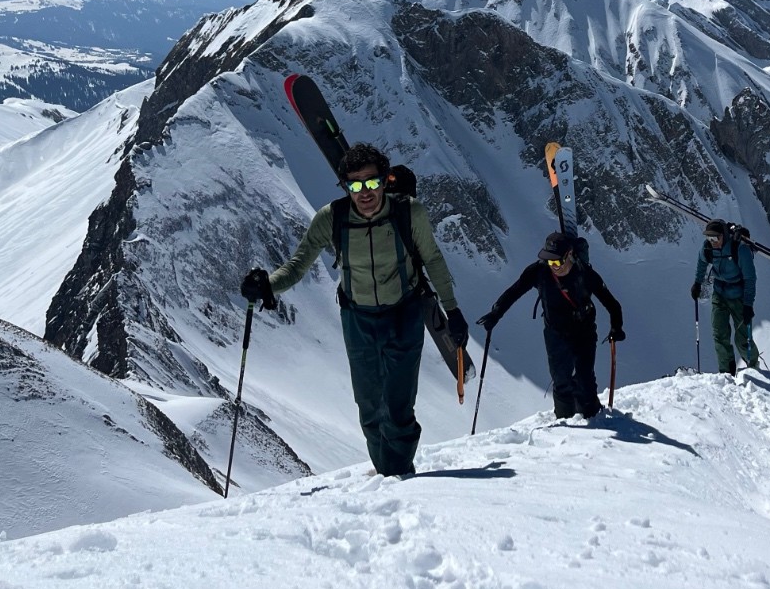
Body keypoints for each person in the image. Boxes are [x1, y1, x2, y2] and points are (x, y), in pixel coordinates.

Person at [240, 143, 469, 478]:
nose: (364, 192)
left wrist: (454, 311)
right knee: (369, 407)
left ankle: (400, 473)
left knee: (399, 407)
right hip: (358, 318)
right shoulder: (331, 219)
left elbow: (432, 259)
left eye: (371, 182)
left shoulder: (409, 212)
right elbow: (297, 263)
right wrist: (267, 285)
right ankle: (387, 471)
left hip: (404, 313)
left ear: (384, 181)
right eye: (355, 185)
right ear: (345, 186)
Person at [477, 231, 623, 419]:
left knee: (585, 378)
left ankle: (593, 418)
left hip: (584, 332)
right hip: (556, 333)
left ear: (569, 255)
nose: (553, 266)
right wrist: (495, 314)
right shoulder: (539, 271)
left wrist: (616, 328)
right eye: (549, 261)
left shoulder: (585, 274)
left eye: (557, 262)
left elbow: (612, 303)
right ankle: (564, 422)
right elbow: (514, 291)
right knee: (561, 381)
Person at [691, 218, 757, 372]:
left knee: (742, 339)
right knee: (719, 334)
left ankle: (753, 367)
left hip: (738, 297)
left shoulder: (739, 249)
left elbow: (750, 279)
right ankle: (726, 371)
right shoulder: (708, 248)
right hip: (719, 294)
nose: (712, 241)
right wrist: (697, 283)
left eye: (715, 238)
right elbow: (701, 263)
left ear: (724, 236)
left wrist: (748, 305)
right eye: (709, 238)